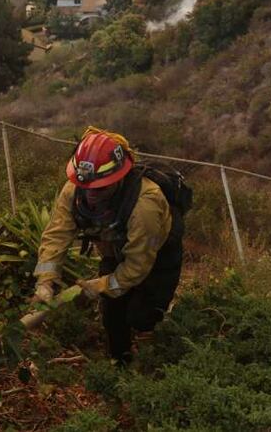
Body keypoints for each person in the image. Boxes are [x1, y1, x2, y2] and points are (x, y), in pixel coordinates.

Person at [33, 127, 185, 364]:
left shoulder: (145, 205)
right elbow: (56, 235)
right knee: (113, 313)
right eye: (86, 187)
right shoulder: (74, 190)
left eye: (100, 188)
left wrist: (102, 284)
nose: (91, 194)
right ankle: (120, 360)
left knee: (143, 314)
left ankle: (155, 361)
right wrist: (45, 281)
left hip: (156, 251)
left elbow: (137, 266)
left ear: (119, 178)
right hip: (114, 245)